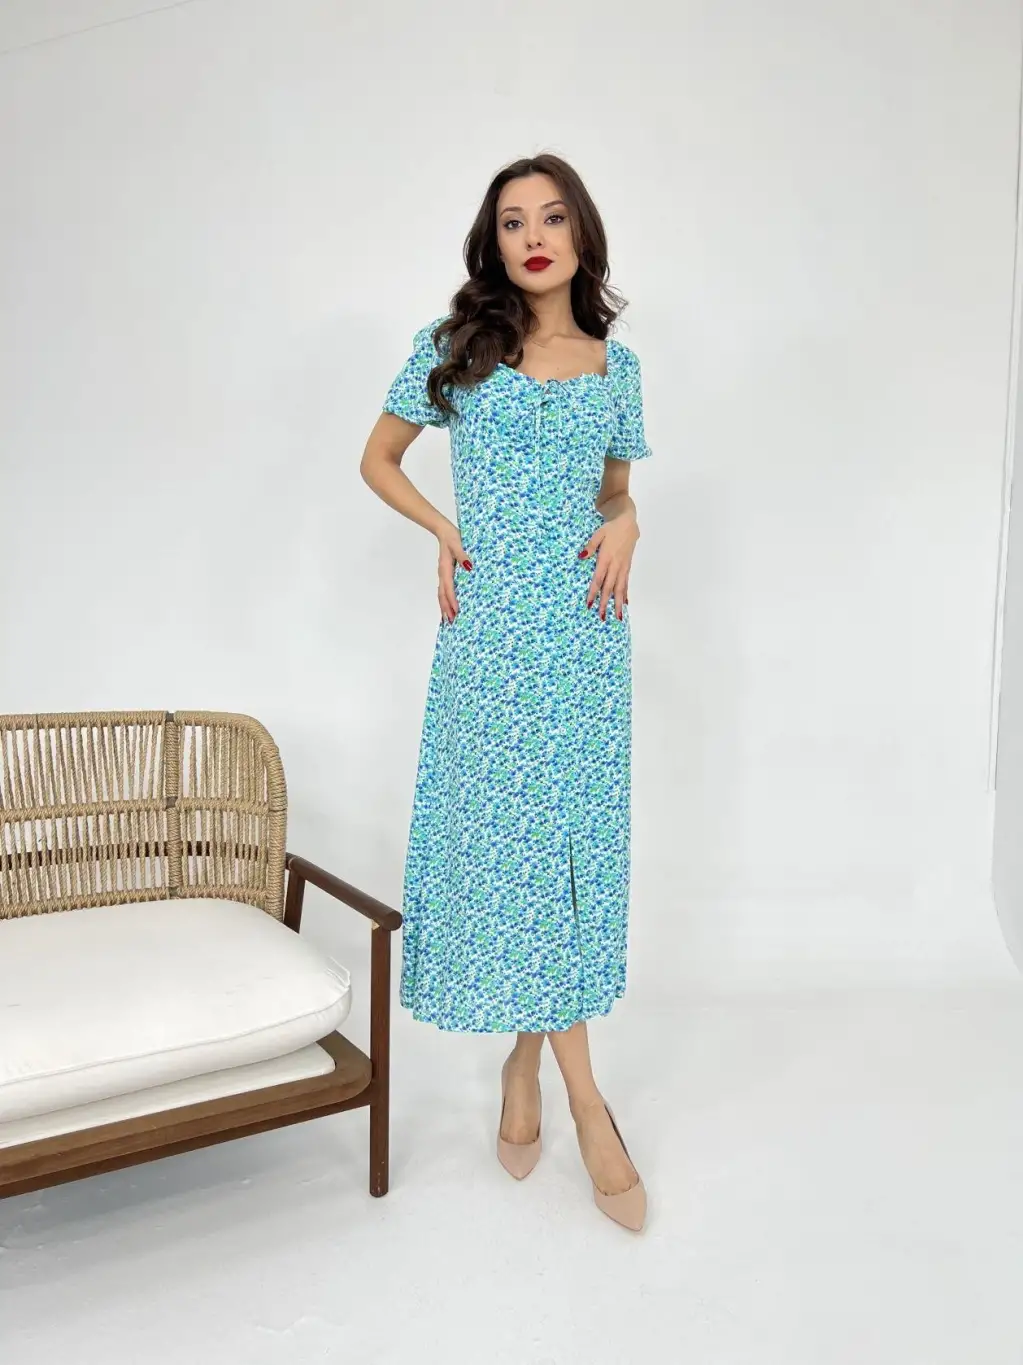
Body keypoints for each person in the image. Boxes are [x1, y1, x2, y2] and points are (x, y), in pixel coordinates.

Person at [360, 152, 652, 1232]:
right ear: (494, 242)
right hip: (491, 639)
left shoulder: (617, 367)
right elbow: (379, 458)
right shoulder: (457, 348)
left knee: (565, 858)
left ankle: (523, 1066)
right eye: (514, 221)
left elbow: (614, 492)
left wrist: (629, 523)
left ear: (581, 235)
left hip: (586, 636)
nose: (534, 236)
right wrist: (444, 530)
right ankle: (587, 1103)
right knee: (523, 852)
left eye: (553, 217)